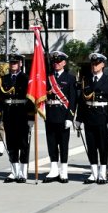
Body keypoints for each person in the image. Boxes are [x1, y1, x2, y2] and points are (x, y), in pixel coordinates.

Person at [76, 53, 108, 184]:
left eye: (97, 64)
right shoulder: (86, 80)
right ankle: (93, 173)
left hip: (103, 117)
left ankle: (102, 173)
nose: (94, 66)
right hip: (89, 117)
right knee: (91, 146)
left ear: (103, 65)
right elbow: (82, 101)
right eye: (93, 64)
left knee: (103, 146)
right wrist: (79, 119)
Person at [0, 54, 32, 183]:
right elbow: (0, 98)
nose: (13, 65)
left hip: (22, 113)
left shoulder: (26, 78)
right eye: (11, 63)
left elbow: (30, 99)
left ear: (20, 64)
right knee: (11, 143)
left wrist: (31, 117)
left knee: (23, 143)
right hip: (9, 113)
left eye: (16, 63)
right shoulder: (4, 79)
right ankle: (14, 171)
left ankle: (23, 172)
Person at [43, 50, 77, 183]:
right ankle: (53, 169)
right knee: (51, 143)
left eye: (58, 62)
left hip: (63, 115)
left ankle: (63, 170)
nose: (56, 64)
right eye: (54, 62)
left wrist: (70, 117)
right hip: (50, 114)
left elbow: (73, 100)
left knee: (63, 144)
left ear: (64, 63)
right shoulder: (47, 77)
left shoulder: (70, 78)